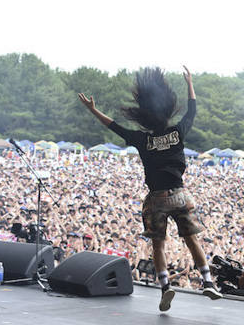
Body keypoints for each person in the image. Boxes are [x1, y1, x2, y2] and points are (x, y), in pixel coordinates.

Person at [78, 66, 222, 312]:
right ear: (167, 114)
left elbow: (114, 126)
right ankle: (207, 281)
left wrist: (93, 110)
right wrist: (189, 83)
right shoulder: (177, 132)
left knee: (158, 245)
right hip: (179, 195)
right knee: (191, 239)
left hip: (155, 199)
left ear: (145, 117)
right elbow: (192, 110)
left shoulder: (142, 139)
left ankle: (166, 287)